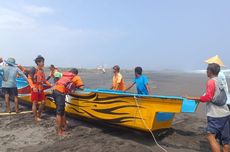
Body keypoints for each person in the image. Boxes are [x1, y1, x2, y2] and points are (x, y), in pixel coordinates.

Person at [185, 63, 230, 152]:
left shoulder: (211, 81)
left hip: (215, 115)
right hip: (226, 113)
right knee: (226, 141)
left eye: (207, 70)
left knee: (210, 136)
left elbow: (208, 97)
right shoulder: (221, 80)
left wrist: (192, 97)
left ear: (210, 71)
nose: (206, 72)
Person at [52, 68, 84, 135]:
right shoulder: (76, 77)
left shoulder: (64, 74)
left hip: (54, 91)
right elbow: (82, 87)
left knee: (62, 111)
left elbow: (56, 78)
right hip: (60, 93)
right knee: (59, 113)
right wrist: (75, 87)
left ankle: (65, 126)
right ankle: (59, 131)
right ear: (76, 73)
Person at [28, 55, 52, 121]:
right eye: (42, 62)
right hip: (35, 88)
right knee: (35, 102)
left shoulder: (42, 70)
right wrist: (32, 87)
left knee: (43, 102)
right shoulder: (33, 69)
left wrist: (50, 85)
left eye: (43, 62)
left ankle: (39, 114)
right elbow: (29, 79)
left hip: (41, 88)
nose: (43, 63)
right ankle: (36, 117)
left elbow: (44, 80)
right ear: (38, 62)